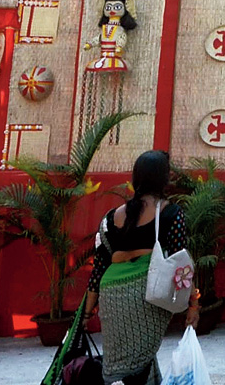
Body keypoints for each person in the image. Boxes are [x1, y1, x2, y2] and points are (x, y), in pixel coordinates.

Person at [89, 150, 198, 383]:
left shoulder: (111, 217)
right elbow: (182, 266)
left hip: (111, 298)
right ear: (164, 179)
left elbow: (99, 268)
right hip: (146, 297)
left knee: (130, 365)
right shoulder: (171, 213)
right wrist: (194, 305)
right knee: (140, 363)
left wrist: (86, 311)